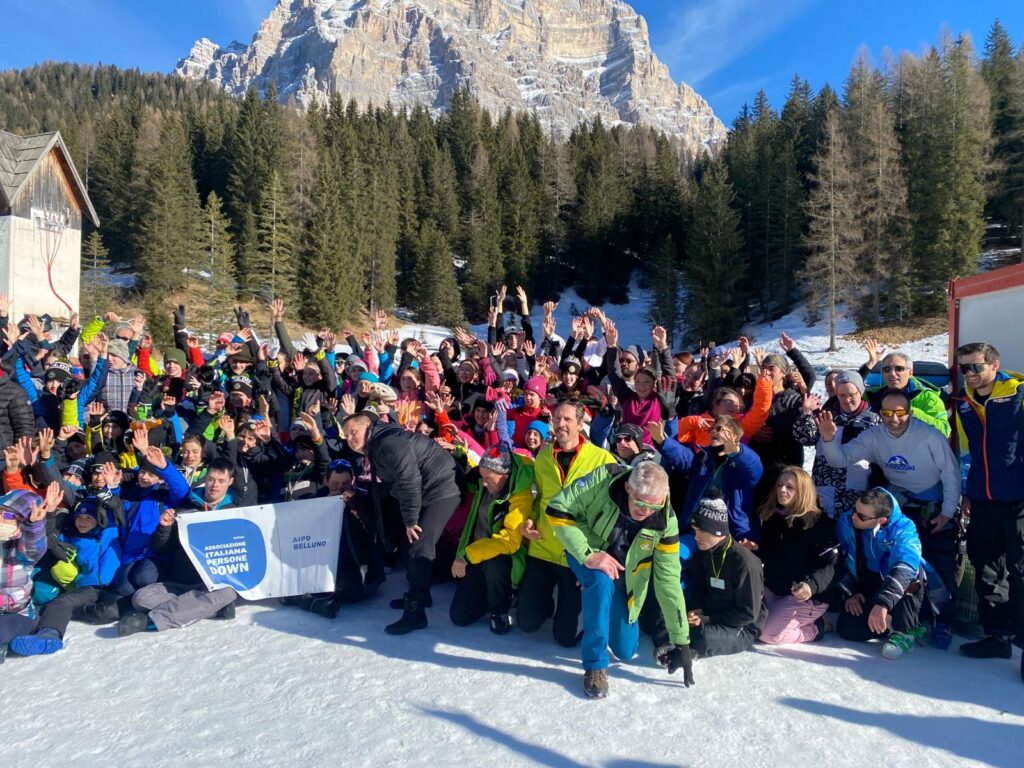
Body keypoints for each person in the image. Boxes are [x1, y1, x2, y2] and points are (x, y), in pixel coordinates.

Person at [817, 388, 959, 636]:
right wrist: (829, 440)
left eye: (900, 412)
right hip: (897, 502)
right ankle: (888, 609)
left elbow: (951, 475)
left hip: (932, 503)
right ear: (880, 413)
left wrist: (946, 513)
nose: (894, 418)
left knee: (936, 560)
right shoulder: (874, 436)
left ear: (910, 412)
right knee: (888, 558)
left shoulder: (929, 436)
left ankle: (942, 619)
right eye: (887, 413)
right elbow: (840, 459)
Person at [548, 461, 694, 698]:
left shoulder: (666, 521)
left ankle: (601, 608)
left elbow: (668, 580)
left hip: (626, 575)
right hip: (588, 551)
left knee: (625, 650)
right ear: (627, 488)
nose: (646, 511)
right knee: (600, 581)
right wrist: (588, 555)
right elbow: (556, 508)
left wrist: (682, 641)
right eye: (639, 504)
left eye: (653, 506)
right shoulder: (603, 479)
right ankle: (595, 665)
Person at [341, 411, 461, 635]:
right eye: (346, 435)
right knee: (412, 544)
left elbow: (409, 480)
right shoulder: (377, 444)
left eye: (353, 432)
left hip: (442, 489)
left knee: (419, 545)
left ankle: (415, 612)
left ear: (367, 427)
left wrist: (411, 520)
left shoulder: (387, 443)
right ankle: (421, 595)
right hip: (429, 489)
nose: (349, 439)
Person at [517, 401, 615, 647]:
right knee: (527, 624)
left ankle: (574, 608)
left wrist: (599, 549)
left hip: (577, 551)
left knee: (566, 638)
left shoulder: (602, 458)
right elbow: (537, 496)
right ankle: (549, 600)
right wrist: (529, 520)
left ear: (581, 424)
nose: (560, 424)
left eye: (567, 419)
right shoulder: (543, 456)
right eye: (557, 419)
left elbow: (610, 509)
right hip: (544, 545)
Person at [953, 342, 1024, 678]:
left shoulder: (1019, 394)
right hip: (983, 500)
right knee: (987, 567)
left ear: (995, 365)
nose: (968, 374)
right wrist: (968, 492)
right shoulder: (963, 402)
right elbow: (967, 452)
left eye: (975, 367)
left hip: (1019, 499)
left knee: (1021, 570)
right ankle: (997, 636)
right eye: (963, 367)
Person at [117, 458, 239, 636]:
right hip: (180, 582)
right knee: (140, 598)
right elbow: (162, 548)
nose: (215, 485)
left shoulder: (236, 512)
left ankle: (151, 620)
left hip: (214, 585)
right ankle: (210, 609)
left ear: (230, 482)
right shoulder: (186, 507)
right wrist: (164, 528)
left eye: (221, 481)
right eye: (211, 479)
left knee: (228, 593)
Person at [834, 488, 930, 659]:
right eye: (854, 510)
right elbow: (840, 558)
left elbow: (905, 565)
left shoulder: (904, 528)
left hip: (896, 583)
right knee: (848, 629)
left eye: (862, 516)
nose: (854, 516)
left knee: (912, 577)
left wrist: (883, 603)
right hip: (867, 579)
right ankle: (887, 623)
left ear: (882, 521)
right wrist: (851, 591)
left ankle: (905, 630)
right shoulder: (846, 521)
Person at [449, 446, 534, 634]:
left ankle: (500, 608)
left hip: (503, 557)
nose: (484, 483)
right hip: (477, 554)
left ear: (505, 474)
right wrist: (459, 454)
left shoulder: (521, 495)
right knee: (459, 617)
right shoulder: (483, 483)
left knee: (495, 565)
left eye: (489, 478)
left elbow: (509, 541)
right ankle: (488, 595)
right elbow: (467, 471)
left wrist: (467, 555)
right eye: (482, 477)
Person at [755, 467, 837, 645]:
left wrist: (810, 586)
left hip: (804, 595)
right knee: (749, 622)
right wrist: (755, 549)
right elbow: (772, 553)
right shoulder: (773, 516)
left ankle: (817, 628)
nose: (782, 490)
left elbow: (832, 565)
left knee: (768, 634)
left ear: (803, 492)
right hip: (775, 587)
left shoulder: (818, 524)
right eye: (780, 485)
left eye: (790, 487)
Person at [685, 492, 767, 658]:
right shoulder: (703, 552)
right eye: (694, 531)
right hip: (712, 613)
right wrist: (697, 610)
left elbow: (748, 613)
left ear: (716, 531)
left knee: (702, 637)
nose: (696, 537)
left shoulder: (745, 563)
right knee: (674, 620)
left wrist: (709, 619)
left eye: (701, 531)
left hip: (742, 626)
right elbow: (698, 587)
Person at [793, 370, 882, 517]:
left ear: (860, 392)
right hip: (825, 485)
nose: (847, 400)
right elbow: (805, 438)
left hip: (858, 488)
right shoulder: (827, 416)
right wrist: (806, 413)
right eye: (842, 395)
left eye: (852, 395)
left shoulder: (874, 420)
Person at [861, 346, 951, 437]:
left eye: (899, 369)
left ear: (910, 373)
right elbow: (851, 388)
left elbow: (944, 431)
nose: (892, 374)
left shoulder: (927, 397)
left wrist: (911, 413)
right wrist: (871, 363)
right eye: (887, 369)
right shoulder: (873, 395)